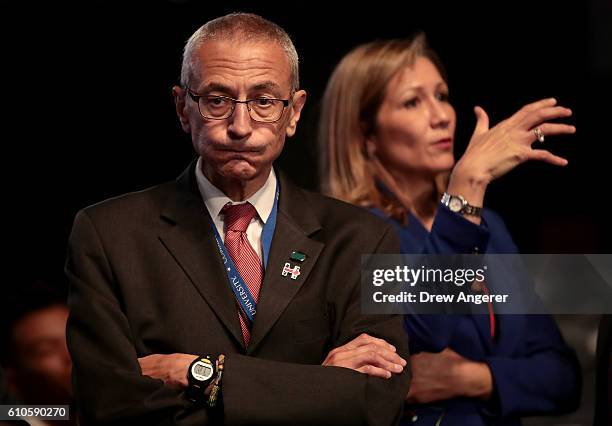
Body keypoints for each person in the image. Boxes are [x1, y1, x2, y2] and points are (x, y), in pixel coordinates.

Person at [65, 12, 410, 425]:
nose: (240, 126)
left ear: (294, 111)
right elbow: (109, 406)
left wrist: (197, 372)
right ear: (182, 107)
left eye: (264, 101)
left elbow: (379, 402)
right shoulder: (107, 234)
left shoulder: (366, 238)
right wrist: (319, 386)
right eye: (217, 100)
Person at [319, 34, 581, 425]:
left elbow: (564, 378)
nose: (441, 115)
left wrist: (476, 378)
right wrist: (467, 186)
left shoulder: (488, 225)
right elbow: (426, 330)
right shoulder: (352, 231)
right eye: (413, 101)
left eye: (441, 96)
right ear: (367, 135)